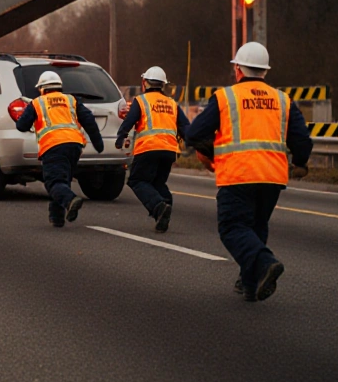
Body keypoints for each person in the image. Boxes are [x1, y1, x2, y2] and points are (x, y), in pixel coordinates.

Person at [185, 42, 313, 302]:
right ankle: (250, 284)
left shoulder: (226, 97)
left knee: (232, 227)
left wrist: (209, 153)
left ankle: (265, 263)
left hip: (238, 175)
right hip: (273, 177)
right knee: (255, 227)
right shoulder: (282, 100)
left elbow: (194, 133)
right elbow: (302, 141)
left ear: (238, 70)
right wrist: (300, 162)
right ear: (265, 71)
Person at [15, 70, 105, 227]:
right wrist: (98, 144)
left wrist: (26, 115)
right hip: (75, 145)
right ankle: (57, 218)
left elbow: (22, 126)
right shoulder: (71, 100)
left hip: (53, 145)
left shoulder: (37, 102)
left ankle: (70, 200)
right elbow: (88, 119)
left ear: (42, 88)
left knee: (53, 182)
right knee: (63, 179)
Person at [116, 66, 190, 232]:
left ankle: (158, 206)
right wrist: (196, 145)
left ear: (144, 83)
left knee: (137, 180)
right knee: (157, 182)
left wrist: (120, 138)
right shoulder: (172, 103)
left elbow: (129, 121)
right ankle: (166, 206)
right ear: (163, 85)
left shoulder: (141, 101)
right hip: (169, 151)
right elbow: (186, 127)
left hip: (148, 148)